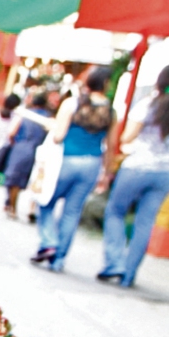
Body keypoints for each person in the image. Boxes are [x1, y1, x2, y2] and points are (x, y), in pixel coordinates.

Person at [98, 64, 169, 287]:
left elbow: (127, 137)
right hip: (166, 170)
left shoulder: (147, 105)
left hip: (138, 166)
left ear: (159, 81)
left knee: (116, 211)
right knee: (145, 222)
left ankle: (115, 263)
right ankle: (129, 273)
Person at [31, 67, 116, 270]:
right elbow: (112, 145)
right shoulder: (111, 112)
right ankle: (59, 259)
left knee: (46, 202)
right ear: (106, 85)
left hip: (65, 161)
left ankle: (48, 241)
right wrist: (106, 173)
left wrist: (51, 126)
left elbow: (58, 135)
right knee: (72, 211)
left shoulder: (72, 103)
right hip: (92, 164)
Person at [2, 92, 51, 217]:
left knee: (15, 180)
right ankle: (31, 210)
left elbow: (11, 133)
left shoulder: (24, 115)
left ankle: (12, 209)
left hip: (21, 149)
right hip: (40, 151)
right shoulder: (48, 118)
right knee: (37, 180)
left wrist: (15, 143)